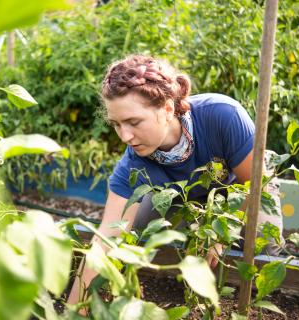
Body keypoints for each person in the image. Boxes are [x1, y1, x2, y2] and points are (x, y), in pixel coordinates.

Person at [67, 54, 283, 305]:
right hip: (181, 198)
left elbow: (255, 186)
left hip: (239, 189)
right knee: (134, 228)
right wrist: (74, 309)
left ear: (168, 108)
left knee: (264, 246)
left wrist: (220, 236)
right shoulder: (133, 164)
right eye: (116, 124)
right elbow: (106, 236)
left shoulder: (222, 115)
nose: (125, 136)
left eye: (133, 122)